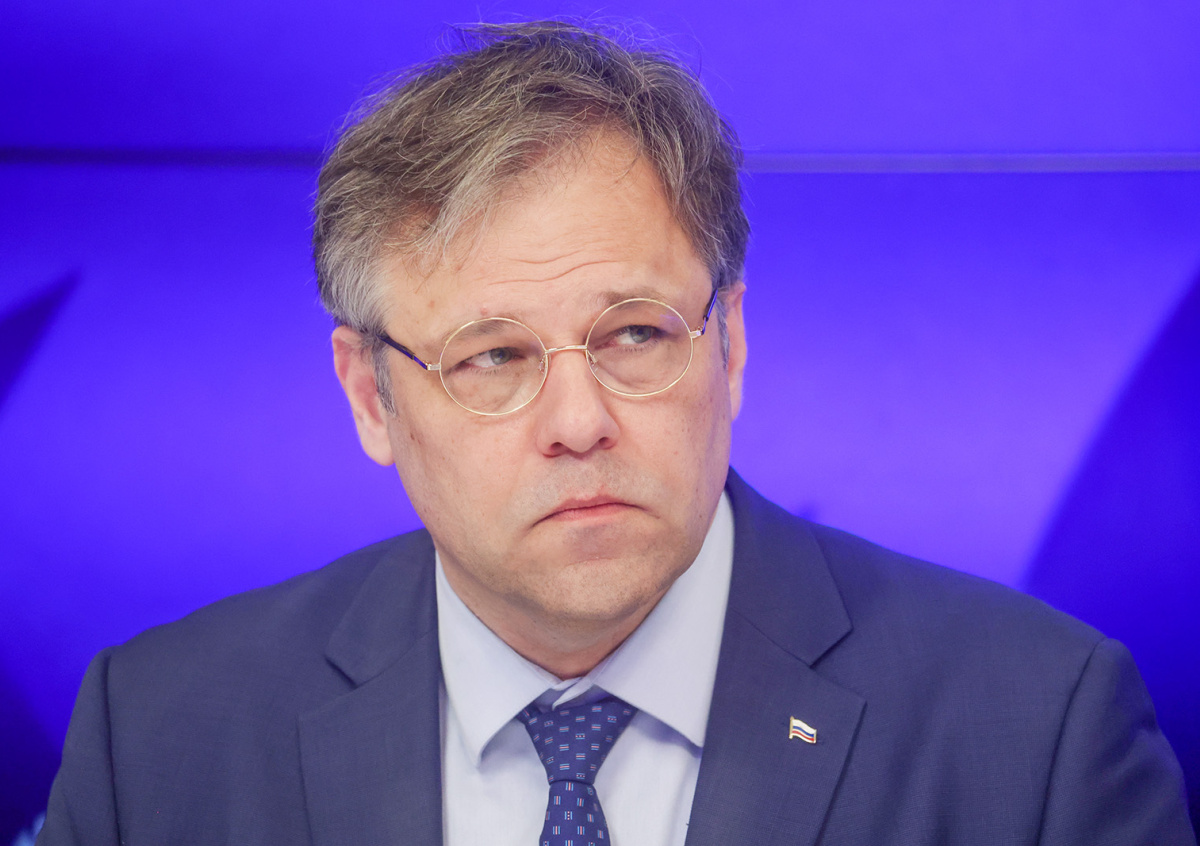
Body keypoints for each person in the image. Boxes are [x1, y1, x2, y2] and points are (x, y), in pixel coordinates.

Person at [38, 20, 1195, 846]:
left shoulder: (1036, 731)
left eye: (636, 334)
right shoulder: (161, 738)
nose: (580, 422)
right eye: (494, 356)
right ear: (369, 395)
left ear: (729, 343)